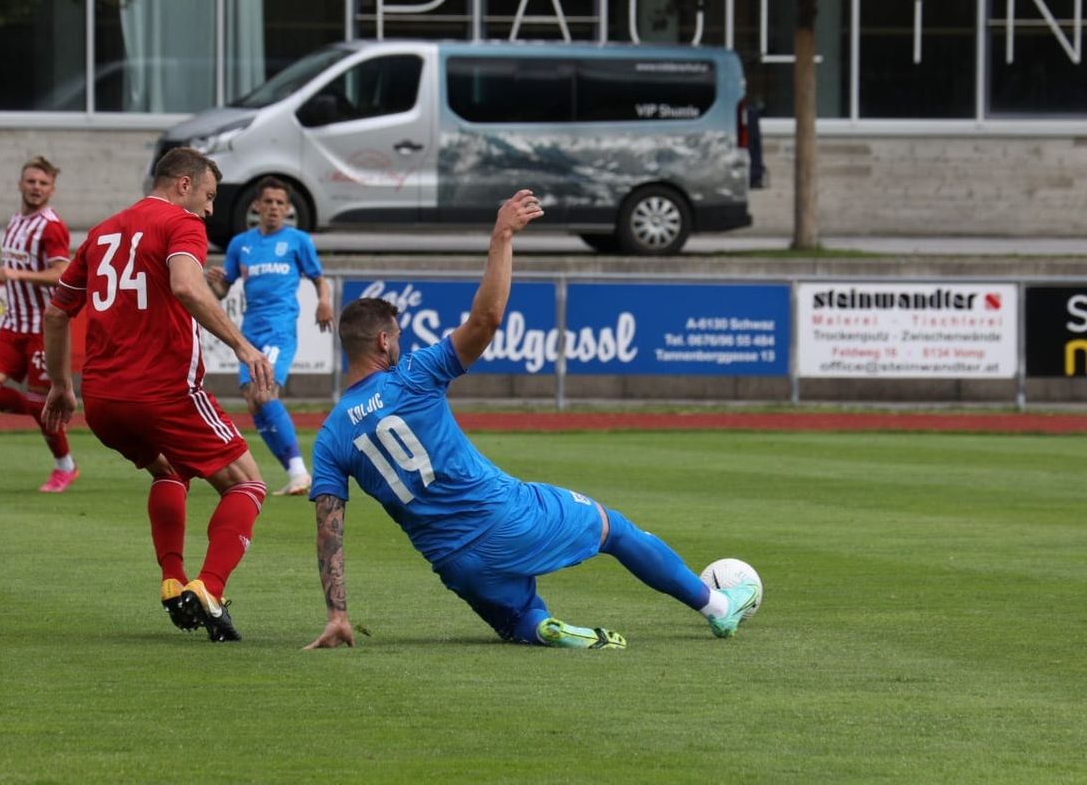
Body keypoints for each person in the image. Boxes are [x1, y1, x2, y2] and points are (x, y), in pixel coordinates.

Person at [304, 189, 761, 650]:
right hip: (506, 518)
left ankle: (543, 629)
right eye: (397, 337)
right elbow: (486, 319)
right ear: (384, 342)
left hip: (453, 562)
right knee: (614, 528)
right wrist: (502, 235)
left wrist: (338, 614)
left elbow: (329, 529)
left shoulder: (331, 435)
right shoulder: (413, 377)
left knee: (519, 618)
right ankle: (719, 609)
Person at [41, 147, 276, 643]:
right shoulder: (182, 222)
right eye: (209, 196)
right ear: (184, 185)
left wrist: (62, 386)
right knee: (248, 486)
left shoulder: (102, 231)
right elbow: (187, 288)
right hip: (163, 390)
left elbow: (58, 313)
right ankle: (209, 588)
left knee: (167, 471)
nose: (211, 210)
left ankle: (173, 580)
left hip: (103, 401)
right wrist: (243, 346)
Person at [206, 176, 333, 497]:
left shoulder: (298, 241)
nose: (274, 208)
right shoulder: (241, 245)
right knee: (252, 400)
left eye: (280, 203)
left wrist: (324, 302)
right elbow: (222, 291)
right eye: (269, 202)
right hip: (249, 334)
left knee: (264, 394)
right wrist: (214, 283)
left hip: (280, 331)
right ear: (257, 206)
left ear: (288, 209)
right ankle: (294, 473)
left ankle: (301, 472)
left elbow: (319, 279)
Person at [0, 156, 78, 492]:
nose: (36, 188)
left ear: (52, 189)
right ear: (20, 184)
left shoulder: (51, 226)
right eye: (31, 182)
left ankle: (65, 465)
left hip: (42, 330)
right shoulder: (16, 221)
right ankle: (43, 410)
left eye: (43, 184)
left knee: (39, 402)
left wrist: (16, 274)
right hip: (12, 325)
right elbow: (16, 267)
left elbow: (62, 273)